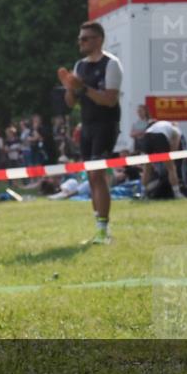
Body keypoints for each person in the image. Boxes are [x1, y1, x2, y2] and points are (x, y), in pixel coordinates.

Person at [60, 20, 123, 244]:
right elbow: (70, 103)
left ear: (99, 40)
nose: (81, 42)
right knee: (91, 177)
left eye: (85, 39)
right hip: (86, 125)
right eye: (80, 39)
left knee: (98, 175)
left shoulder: (111, 64)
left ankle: (103, 231)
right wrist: (70, 88)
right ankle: (99, 228)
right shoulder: (80, 65)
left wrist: (83, 88)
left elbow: (109, 100)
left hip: (106, 124)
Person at [141, 120, 187, 199]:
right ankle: (177, 193)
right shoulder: (177, 130)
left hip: (147, 135)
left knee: (147, 168)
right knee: (171, 168)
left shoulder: (159, 125)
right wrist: (169, 160)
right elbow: (175, 148)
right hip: (160, 136)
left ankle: (143, 194)